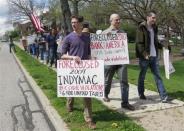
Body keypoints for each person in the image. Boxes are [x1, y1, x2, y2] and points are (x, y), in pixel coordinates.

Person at [59, 15, 96, 129]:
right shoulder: (68, 38)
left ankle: (89, 118)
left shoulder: (86, 37)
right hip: (72, 69)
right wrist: (72, 58)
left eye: (75, 22)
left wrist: (92, 60)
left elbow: (89, 53)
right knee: (71, 91)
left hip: (85, 70)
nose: (73, 24)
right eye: (72, 22)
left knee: (87, 94)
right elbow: (62, 55)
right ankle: (69, 106)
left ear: (81, 24)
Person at [135, 11, 170, 103]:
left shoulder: (154, 28)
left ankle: (163, 96)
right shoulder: (141, 27)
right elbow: (139, 43)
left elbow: (154, 42)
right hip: (145, 57)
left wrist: (162, 46)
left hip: (154, 56)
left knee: (157, 76)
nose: (154, 19)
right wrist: (144, 54)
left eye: (155, 18)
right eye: (153, 18)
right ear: (148, 17)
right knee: (142, 76)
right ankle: (141, 93)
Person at [102, 14, 135, 111]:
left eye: (119, 20)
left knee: (124, 81)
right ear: (111, 21)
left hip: (121, 61)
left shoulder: (122, 32)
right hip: (109, 61)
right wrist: (106, 39)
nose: (118, 21)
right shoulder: (105, 33)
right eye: (116, 20)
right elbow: (100, 48)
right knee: (108, 80)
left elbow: (125, 45)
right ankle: (105, 94)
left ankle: (125, 102)